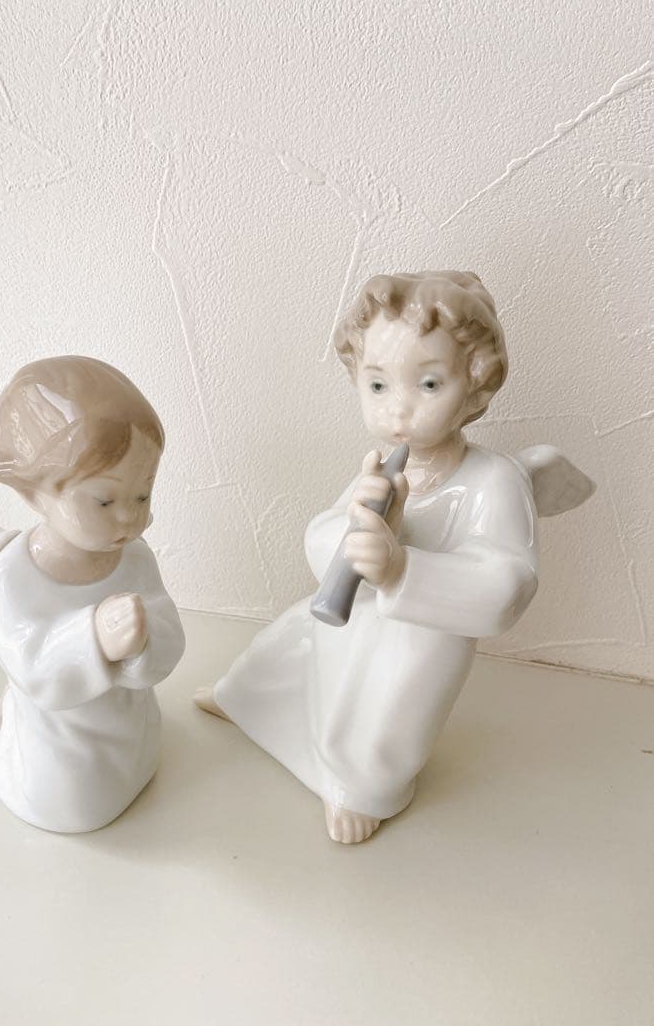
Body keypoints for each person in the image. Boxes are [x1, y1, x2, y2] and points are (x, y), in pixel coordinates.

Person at [196, 271, 594, 845]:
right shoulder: (383, 469)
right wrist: (353, 531)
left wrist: (400, 568)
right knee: (290, 641)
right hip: (357, 614)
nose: (399, 410)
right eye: (378, 385)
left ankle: (359, 787)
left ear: (476, 387)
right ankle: (245, 701)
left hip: (423, 637)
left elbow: (508, 584)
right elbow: (323, 535)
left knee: (388, 705)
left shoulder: (494, 480)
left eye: (428, 384)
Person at [0, 356, 185, 833]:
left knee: (139, 755)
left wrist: (146, 639)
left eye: (143, 494)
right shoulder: (13, 575)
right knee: (74, 802)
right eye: (105, 500)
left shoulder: (135, 557)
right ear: (33, 494)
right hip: (62, 744)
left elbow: (167, 626)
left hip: (130, 723)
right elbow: (29, 664)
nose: (129, 517)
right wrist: (94, 638)